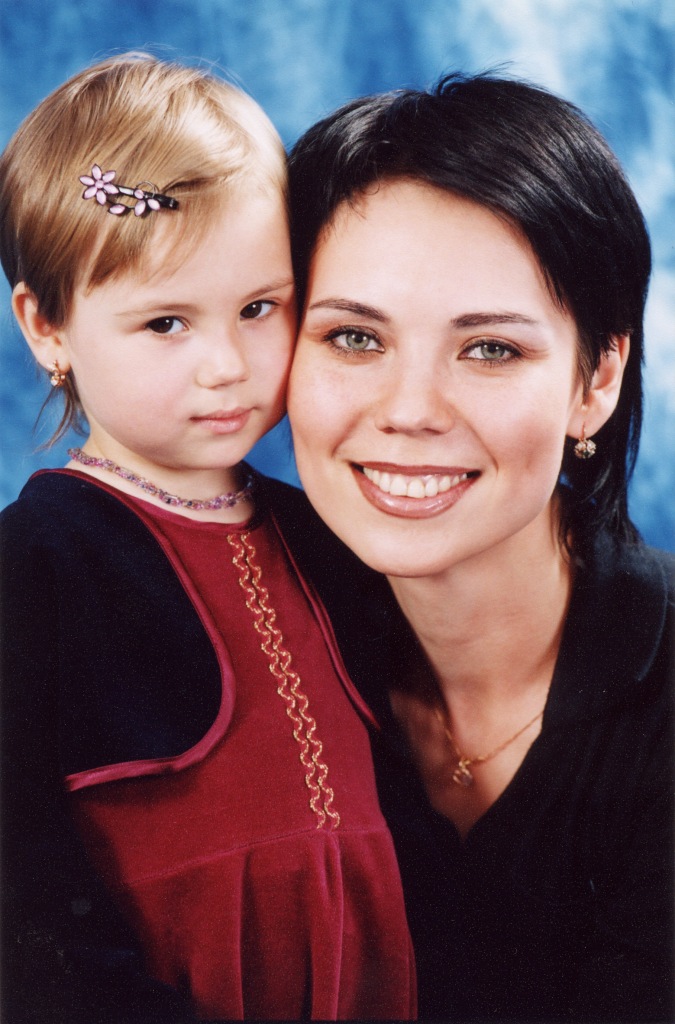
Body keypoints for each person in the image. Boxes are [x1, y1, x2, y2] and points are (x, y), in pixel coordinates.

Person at [0, 53, 416, 1024]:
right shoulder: (33, 564)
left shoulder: (331, 531)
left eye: (258, 308)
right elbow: (23, 911)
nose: (226, 365)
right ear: (47, 327)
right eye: (165, 323)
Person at [285, 74, 674, 1022]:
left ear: (596, 380)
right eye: (352, 338)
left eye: (490, 349)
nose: (410, 411)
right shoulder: (238, 617)